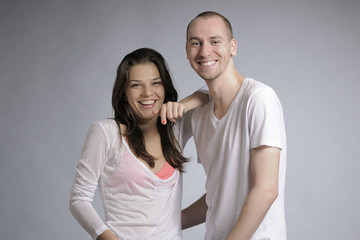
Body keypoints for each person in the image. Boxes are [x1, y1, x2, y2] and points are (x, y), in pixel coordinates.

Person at [69, 48, 208, 240]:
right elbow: (79, 199)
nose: (147, 93)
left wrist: (182, 106)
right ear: (124, 92)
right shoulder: (107, 132)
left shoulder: (176, 128)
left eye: (156, 83)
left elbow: (213, 92)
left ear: (165, 88)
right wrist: (106, 237)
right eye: (136, 85)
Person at [181, 11, 287, 240]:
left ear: (233, 47)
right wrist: (169, 223)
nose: (204, 51)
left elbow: (267, 189)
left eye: (215, 41)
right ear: (187, 52)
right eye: (195, 43)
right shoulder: (199, 116)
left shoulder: (259, 99)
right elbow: (220, 196)